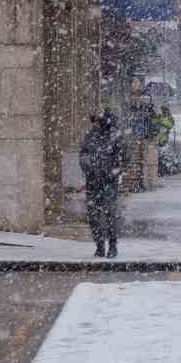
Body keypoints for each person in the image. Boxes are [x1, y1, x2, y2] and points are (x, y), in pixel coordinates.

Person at [78, 110, 127, 258]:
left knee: (109, 213)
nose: (95, 124)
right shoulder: (89, 136)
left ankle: (112, 245)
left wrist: (113, 172)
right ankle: (99, 245)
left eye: (98, 121)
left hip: (108, 182)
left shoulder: (115, 136)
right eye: (94, 121)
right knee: (93, 215)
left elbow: (125, 158)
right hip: (93, 181)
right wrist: (88, 166)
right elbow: (83, 154)